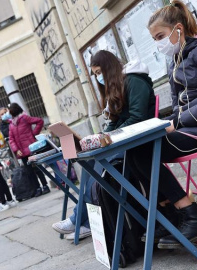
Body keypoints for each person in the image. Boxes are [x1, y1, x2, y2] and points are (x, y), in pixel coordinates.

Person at [124, 0, 197, 249]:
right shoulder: (175, 60)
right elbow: (178, 106)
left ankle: (191, 217)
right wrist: (169, 122)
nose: (158, 43)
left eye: (160, 36)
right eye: (155, 38)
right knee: (133, 149)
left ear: (178, 28)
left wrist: (177, 121)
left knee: (143, 150)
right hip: (194, 127)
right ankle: (171, 216)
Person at [52, 50, 156, 241]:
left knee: (99, 166)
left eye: (99, 72)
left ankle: (81, 221)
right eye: (95, 74)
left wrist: (110, 135)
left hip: (143, 141)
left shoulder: (134, 81)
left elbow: (137, 118)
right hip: (127, 141)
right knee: (92, 165)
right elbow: (117, 120)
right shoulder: (119, 87)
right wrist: (102, 136)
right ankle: (85, 221)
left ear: (109, 68)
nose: (98, 77)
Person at [7, 103, 50, 196]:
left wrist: (34, 134)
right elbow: (11, 139)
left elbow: (39, 121)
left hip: (31, 148)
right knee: (30, 171)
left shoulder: (24, 118)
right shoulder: (11, 125)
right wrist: (16, 149)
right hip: (22, 152)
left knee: (38, 168)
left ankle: (45, 185)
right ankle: (37, 188)